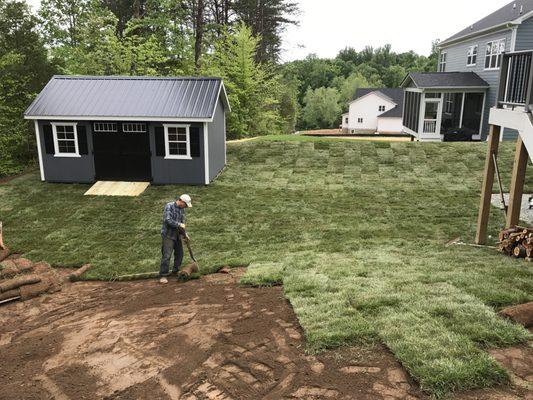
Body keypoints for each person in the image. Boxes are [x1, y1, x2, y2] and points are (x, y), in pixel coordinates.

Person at [159, 194, 192, 284]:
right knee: (167, 255)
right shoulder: (169, 206)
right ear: (181, 201)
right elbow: (167, 220)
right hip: (168, 235)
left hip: (177, 235)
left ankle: (175, 271)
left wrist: (185, 234)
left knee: (180, 254)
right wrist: (179, 224)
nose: (185, 206)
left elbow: (182, 224)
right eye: (185, 204)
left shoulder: (182, 210)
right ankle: (163, 275)